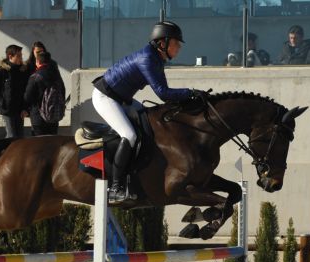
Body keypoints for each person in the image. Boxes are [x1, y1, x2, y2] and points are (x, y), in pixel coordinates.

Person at [91, 20, 199, 205]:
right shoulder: (148, 59)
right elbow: (163, 93)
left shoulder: (157, 58)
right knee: (130, 135)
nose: (179, 47)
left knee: (149, 122)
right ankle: (115, 188)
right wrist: (190, 93)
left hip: (122, 99)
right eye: (176, 43)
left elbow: (165, 91)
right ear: (162, 43)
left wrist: (189, 96)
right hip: (105, 98)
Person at [0, 44, 30, 139]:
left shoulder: (22, 71)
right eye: (18, 56)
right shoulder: (1, 71)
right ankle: (7, 153)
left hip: (20, 110)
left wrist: (25, 108)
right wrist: (2, 103)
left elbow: (26, 91)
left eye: (21, 55)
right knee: (11, 136)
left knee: (20, 137)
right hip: (8, 111)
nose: (21, 58)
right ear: (10, 56)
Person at [23, 51, 66, 136]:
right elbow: (62, 90)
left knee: (39, 144)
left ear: (38, 62)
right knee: (53, 142)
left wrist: (26, 109)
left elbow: (28, 97)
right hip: (53, 115)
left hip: (38, 116)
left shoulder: (35, 77)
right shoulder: (56, 75)